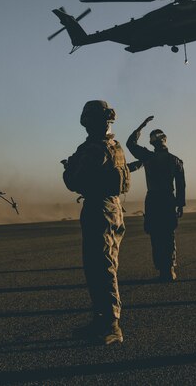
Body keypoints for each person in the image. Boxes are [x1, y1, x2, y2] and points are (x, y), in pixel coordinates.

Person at [62, 100, 131, 345]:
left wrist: (68, 168)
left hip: (99, 208)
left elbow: (74, 180)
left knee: (101, 266)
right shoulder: (115, 145)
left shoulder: (93, 148)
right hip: (113, 207)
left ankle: (112, 324)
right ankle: (101, 320)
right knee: (102, 263)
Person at [126, 116, 187, 282]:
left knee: (156, 235)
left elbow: (130, 143)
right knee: (168, 234)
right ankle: (169, 270)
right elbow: (181, 185)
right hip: (168, 199)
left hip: (153, 200)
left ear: (152, 143)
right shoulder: (176, 160)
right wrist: (180, 204)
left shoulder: (147, 157)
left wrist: (142, 125)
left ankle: (163, 270)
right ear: (165, 140)